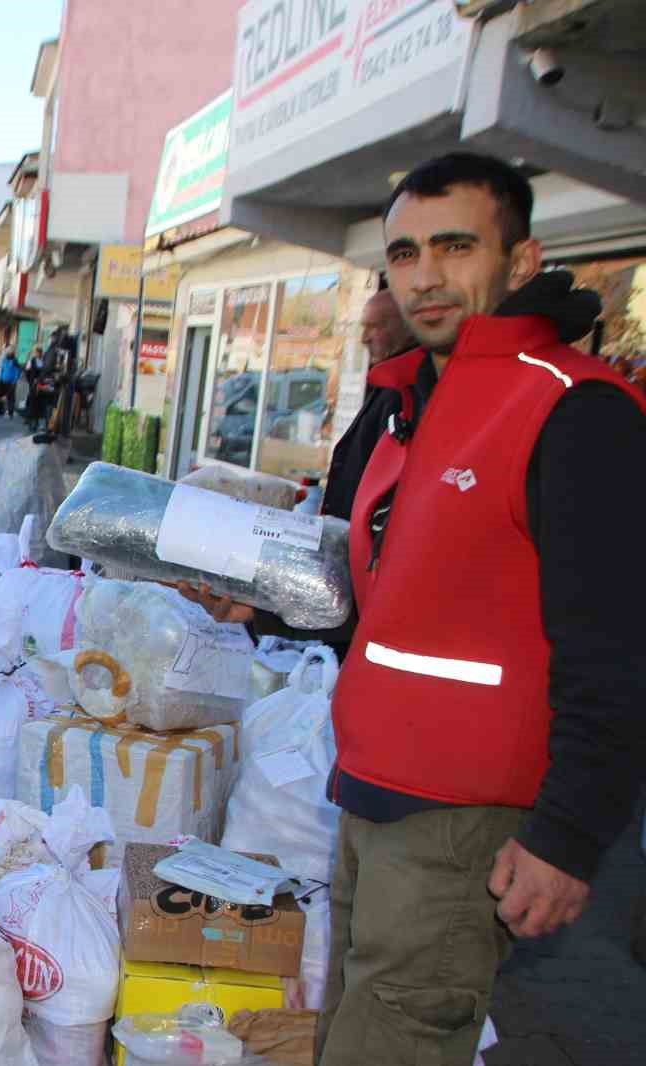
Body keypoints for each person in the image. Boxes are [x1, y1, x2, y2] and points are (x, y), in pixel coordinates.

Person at [183, 153, 646, 1066]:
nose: (425, 275)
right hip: (370, 789)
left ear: (520, 261)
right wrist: (257, 609)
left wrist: (569, 836)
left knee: (394, 1040)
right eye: (404, 252)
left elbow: (619, 647)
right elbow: (382, 604)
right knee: (360, 1023)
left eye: (454, 246)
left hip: (465, 812)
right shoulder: (412, 405)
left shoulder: (574, 411)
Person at [318, 287, 418, 521]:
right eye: (364, 327)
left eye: (375, 326)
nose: (364, 338)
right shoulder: (388, 381)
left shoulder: (404, 390)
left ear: (408, 326)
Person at [0, 344, 23, 417]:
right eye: (7, 351)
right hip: (2, 381)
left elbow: (18, 371)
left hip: (11, 382)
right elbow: (2, 369)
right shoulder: (4, 359)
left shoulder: (15, 361)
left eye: (9, 351)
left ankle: (10, 413)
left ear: (12, 352)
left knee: (10, 398)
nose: (7, 352)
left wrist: (15, 380)